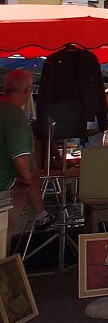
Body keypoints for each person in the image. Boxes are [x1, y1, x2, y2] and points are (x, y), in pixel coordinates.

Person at [0, 70, 52, 233]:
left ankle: (41, 215)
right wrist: (26, 179)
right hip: (8, 184)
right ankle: (40, 215)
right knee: (5, 232)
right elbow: (20, 156)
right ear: (27, 90)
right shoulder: (15, 115)